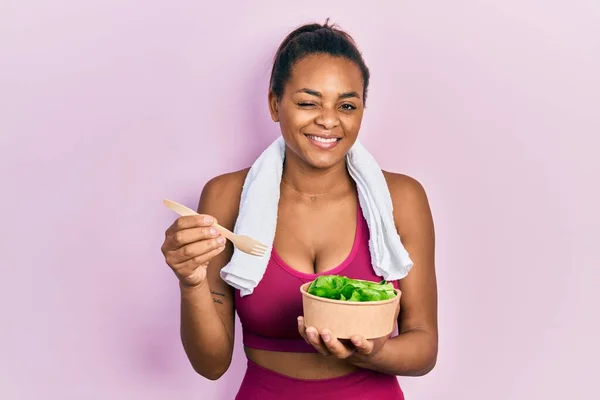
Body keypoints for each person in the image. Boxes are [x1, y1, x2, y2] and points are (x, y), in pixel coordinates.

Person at [160, 20, 438, 399]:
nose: (328, 119)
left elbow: (423, 347)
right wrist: (190, 281)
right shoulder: (226, 197)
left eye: (346, 105)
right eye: (308, 102)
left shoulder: (401, 198)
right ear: (275, 105)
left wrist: (376, 352)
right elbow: (211, 364)